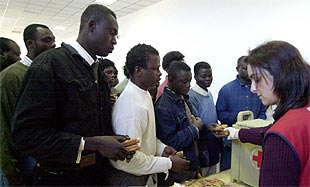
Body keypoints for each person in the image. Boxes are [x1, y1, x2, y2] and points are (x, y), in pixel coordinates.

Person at [11, 4, 135, 186]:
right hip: (60, 178)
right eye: (111, 33)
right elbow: (26, 135)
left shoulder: (97, 70)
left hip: (95, 174)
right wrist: (92, 143)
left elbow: (88, 121)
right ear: (91, 26)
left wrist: (114, 141)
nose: (115, 40)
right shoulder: (48, 65)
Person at [214, 40, 310, 186]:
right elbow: (269, 131)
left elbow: (276, 134)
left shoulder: (281, 135)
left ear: (281, 75)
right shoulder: (303, 112)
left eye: (257, 80)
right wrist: (234, 133)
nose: (253, 88)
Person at [109, 44, 190, 186]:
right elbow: (129, 161)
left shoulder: (144, 93)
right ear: (139, 70)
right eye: (155, 68)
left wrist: (161, 148)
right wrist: (168, 163)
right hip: (131, 179)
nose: (159, 73)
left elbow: (145, 138)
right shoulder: (131, 106)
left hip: (143, 175)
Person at [0, 24, 56, 186]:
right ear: (31, 44)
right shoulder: (11, 77)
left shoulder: (49, 72)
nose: (53, 44)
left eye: (53, 40)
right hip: (21, 163)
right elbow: (5, 131)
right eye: (47, 40)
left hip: (43, 161)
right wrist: (13, 175)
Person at [155, 61, 203, 185]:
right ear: (170, 80)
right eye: (184, 82)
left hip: (192, 163)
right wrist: (194, 129)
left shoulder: (183, 98)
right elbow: (169, 142)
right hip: (177, 170)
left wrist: (206, 128)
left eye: (189, 81)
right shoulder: (163, 107)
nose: (188, 85)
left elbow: (190, 123)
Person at [216, 56, 267, 171]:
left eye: (251, 69)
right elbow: (221, 114)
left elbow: (262, 112)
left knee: (249, 175)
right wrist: (240, 121)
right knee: (228, 174)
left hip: (253, 144)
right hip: (231, 143)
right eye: (244, 68)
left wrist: (255, 124)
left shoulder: (259, 89)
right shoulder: (226, 90)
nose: (248, 72)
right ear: (237, 69)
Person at [188, 61, 221, 177]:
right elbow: (197, 123)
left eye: (210, 75)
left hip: (213, 141)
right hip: (202, 145)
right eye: (203, 76)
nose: (208, 79)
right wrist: (209, 128)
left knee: (214, 176)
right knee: (204, 178)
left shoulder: (209, 93)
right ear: (195, 77)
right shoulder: (192, 96)